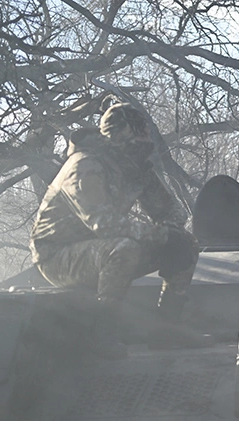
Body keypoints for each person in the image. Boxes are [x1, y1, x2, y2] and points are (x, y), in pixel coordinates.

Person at [29, 100, 201, 358]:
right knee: (125, 248)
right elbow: (103, 224)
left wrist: (172, 235)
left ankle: (167, 327)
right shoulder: (84, 166)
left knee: (185, 243)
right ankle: (101, 334)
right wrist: (159, 234)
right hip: (55, 256)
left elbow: (171, 211)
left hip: (100, 250)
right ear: (118, 141)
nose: (140, 149)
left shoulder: (134, 168)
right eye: (135, 143)